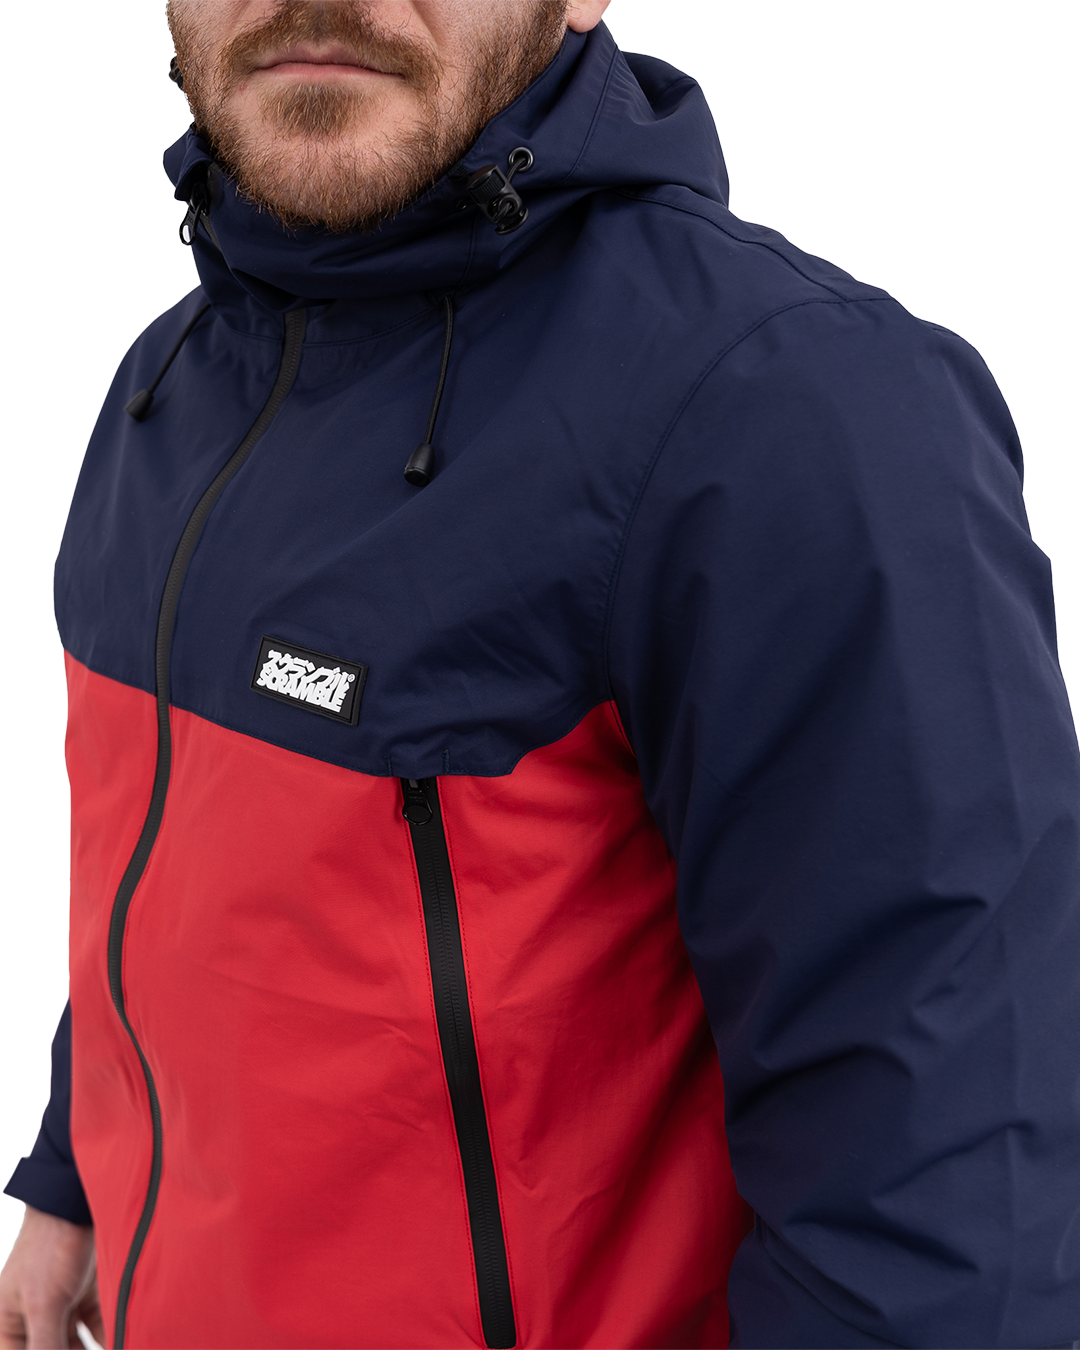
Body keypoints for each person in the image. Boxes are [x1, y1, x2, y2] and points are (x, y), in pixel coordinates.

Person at [4, 0, 1080, 1346]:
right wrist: (75, 1175)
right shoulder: (164, 383)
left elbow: (947, 1205)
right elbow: (176, 881)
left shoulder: (794, 415)